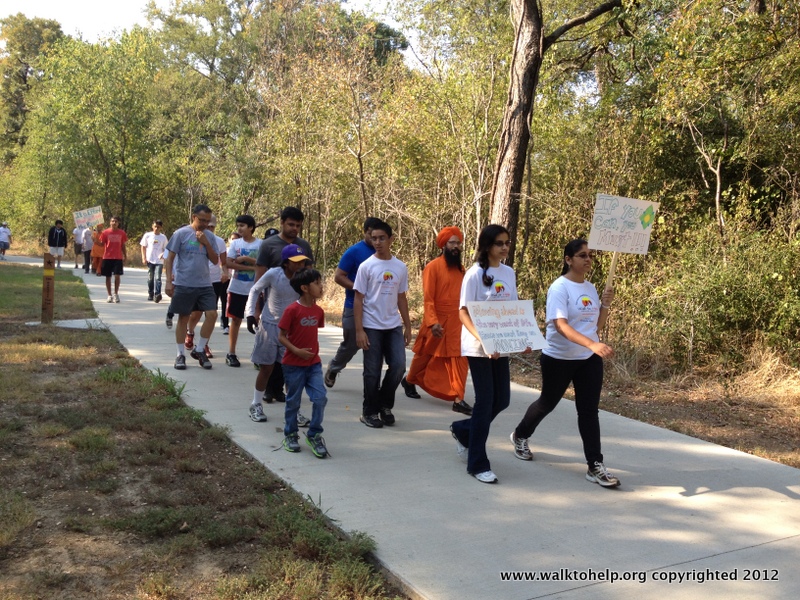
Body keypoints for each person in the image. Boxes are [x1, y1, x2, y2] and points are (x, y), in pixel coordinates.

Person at [510, 239, 620, 488]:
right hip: (559, 358)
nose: (588, 259)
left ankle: (595, 465)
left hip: (588, 359)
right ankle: (520, 434)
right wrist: (592, 344)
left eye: (590, 255)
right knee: (547, 403)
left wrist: (605, 305)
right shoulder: (559, 288)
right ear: (568, 260)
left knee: (589, 411)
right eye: (582, 255)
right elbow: (560, 326)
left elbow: (595, 326)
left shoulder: (590, 288)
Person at [450, 224, 529, 484]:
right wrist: (483, 340)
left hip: (501, 346)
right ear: (487, 246)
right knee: (485, 402)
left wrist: (522, 337)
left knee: (502, 400)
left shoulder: (508, 272)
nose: (505, 247)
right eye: (499, 243)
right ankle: (477, 463)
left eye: (507, 242)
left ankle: (463, 430)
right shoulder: (474, 274)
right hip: (478, 347)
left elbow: (512, 310)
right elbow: (463, 312)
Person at [404, 226, 472, 415]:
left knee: (460, 358)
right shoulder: (432, 267)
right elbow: (428, 299)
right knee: (424, 355)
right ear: (443, 245)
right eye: (452, 243)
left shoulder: (461, 269)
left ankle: (458, 399)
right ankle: (409, 380)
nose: (456, 246)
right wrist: (433, 322)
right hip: (437, 322)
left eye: (458, 243)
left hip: (458, 322)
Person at [354, 220, 413, 428]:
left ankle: (384, 405)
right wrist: (359, 330)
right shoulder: (366, 266)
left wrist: (407, 325)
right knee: (372, 371)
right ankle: (369, 411)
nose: (377, 242)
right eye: (374, 238)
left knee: (398, 366)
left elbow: (401, 297)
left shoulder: (400, 267)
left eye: (382, 238)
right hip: (371, 326)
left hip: (393, 325)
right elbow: (358, 299)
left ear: (391, 239)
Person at [245, 244, 311, 423]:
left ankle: (293, 410)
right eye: (296, 262)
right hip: (269, 326)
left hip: (291, 330)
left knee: (291, 371)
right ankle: (256, 404)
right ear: (286, 263)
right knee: (266, 368)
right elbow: (255, 289)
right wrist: (250, 313)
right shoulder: (274, 274)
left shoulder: (303, 278)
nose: (300, 265)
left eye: (302, 262)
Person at [254, 206, 314, 402]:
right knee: (269, 361)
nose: (294, 228)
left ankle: (280, 391)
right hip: (272, 310)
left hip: (296, 313)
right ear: (282, 223)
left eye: (298, 225)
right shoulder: (268, 245)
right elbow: (259, 279)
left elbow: (310, 279)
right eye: (291, 224)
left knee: (288, 359)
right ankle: (267, 391)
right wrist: (256, 310)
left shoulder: (303, 246)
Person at [324, 216, 382, 388]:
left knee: (374, 346)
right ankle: (334, 367)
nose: (374, 239)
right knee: (351, 344)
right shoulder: (354, 252)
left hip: (376, 308)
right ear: (365, 233)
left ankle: (372, 386)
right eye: (370, 234)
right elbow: (338, 276)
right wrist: (358, 288)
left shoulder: (383, 253)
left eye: (378, 236)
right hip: (353, 305)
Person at [277, 268, 329, 457]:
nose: (321, 286)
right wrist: (296, 351)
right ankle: (290, 434)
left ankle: (314, 434)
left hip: (313, 364)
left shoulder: (319, 311)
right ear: (304, 288)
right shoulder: (292, 310)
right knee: (293, 401)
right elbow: (281, 336)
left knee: (320, 398)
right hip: (293, 365)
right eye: (317, 283)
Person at [164, 204, 220, 370]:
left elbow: (215, 260)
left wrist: (206, 242)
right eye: (202, 220)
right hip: (184, 283)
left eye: (207, 221)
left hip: (205, 284)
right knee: (183, 318)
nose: (205, 224)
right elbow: (170, 258)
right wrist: (168, 281)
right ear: (193, 217)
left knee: (212, 315)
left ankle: (200, 349)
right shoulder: (181, 234)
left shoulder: (210, 236)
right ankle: (180, 354)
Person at [225, 215, 262, 367]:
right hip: (237, 288)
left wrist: (247, 258)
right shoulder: (235, 243)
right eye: (238, 225)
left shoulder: (261, 244)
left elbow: (264, 263)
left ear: (251, 227)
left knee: (258, 321)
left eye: (242, 226)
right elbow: (228, 263)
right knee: (235, 320)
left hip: (256, 289)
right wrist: (252, 268)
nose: (239, 228)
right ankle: (231, 353)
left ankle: (259, 356)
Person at [100, 216, 128, 303]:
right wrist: (94, 239)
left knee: (117, 276)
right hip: (107, 257)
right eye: (112, 221)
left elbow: (123, 245)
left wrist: (125, 255)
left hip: (117, 257)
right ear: (110, 222)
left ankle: (115, 294)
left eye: (116, 221)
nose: (114, 223)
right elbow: (101, 244)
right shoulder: (105, 233)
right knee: (108, 276)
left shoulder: (122, 233)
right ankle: (109, 295)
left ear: (118, 223)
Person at [140, 220, 168, 302]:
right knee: (150, 277)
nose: (156, 228)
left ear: (161, 228)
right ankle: (150, 293)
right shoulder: (147, 235)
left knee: (158, 278)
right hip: (150, 260)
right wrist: (143, 257)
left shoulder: (163, 237)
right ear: (152, 226)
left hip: (159, 261)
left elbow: (167, 248)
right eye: (155, 226)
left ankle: (157, 294)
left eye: (158, 227)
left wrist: (163, 254)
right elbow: (143, 246)